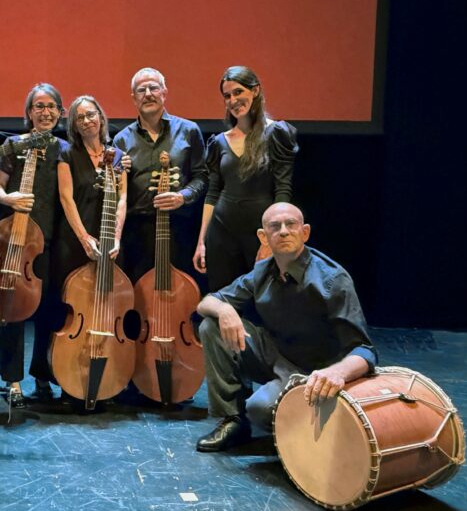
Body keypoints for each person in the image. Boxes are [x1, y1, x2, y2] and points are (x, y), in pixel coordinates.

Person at [195, 203, 377, 452]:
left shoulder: (332, 280)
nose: (283, 231)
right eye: (275, 226)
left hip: (313, 372)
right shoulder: (263, 271)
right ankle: (234, 421)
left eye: (291, 224)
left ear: (305, 232)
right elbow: (206, 303)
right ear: (263, 237)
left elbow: (365, 350)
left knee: (260, 409)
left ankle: (296, 419)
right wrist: (225, 309)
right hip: (276, 354)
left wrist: (338, 373)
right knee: (211, 325)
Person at [0, 83, 68, 407]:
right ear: (28, 113)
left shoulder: (64, 149)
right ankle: (12, 380)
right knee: (9, 312)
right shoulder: (13, 145)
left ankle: (42, 375)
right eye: (39, 106)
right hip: (12, 242)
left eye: (51, 106)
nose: (45, 112)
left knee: (48, 311)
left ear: (60, 112)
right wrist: (9, 197)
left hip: (48, 242)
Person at [194, 66, 299, 292]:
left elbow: (283, 191)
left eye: (238, 92)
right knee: (222, 301)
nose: (233, 100)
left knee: (264, 300)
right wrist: (202, 241)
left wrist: (271, 241)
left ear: (255, 91)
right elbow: (213, 193)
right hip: (221, 234)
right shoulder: (219, 142)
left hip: (261, 233)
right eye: (227, 96)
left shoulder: (277, 134)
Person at [113, 67, 207, 284]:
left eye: (153, 87)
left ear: (164, 92)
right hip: (136, 230)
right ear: (133, 98)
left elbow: (202, 177)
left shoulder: (189, 130)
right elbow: (117, 189)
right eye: (141, 90)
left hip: (179, 228)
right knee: (137, 298)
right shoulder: (121, 140)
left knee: (180, 294)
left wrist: (182, 196)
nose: (148, 94)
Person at [55, 95, 127, 279]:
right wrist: (84, 238)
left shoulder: (117, 155)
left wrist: (116, 238)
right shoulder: (67, 155)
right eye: (80, 118)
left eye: (90, 114)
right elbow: (66, 198)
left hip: (109, 241)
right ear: (75, 126)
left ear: (101, 118)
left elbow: (122, 199)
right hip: (76, 240)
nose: (86, 121)